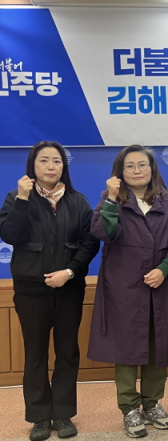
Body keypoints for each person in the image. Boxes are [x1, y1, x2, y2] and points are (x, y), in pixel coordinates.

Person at [0, 141, 100, 441]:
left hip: (69, 290)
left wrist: (69, 272)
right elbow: (10, 234)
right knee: (35, 354)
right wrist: (22, 199)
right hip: (31, 291)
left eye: (56, 161)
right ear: (33, 165)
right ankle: (40, 417)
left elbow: (90, 243)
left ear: (63, 166)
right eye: (43, 160)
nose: (50, 166)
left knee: (67, 352)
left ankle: (63, 413)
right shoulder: (15, 198)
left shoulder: (78, 201)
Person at [87, 145, 168, 438]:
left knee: (159, 345)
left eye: (142, 165)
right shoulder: (111, 200)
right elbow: (103, 233)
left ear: (152, 169)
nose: (137, 170)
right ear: (120, 172)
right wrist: (110, 199)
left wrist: (165, 269)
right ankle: (129, 408)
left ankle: (152, 403)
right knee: (127, 348)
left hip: (160, 285)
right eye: (129, 166)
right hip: (123, 288)